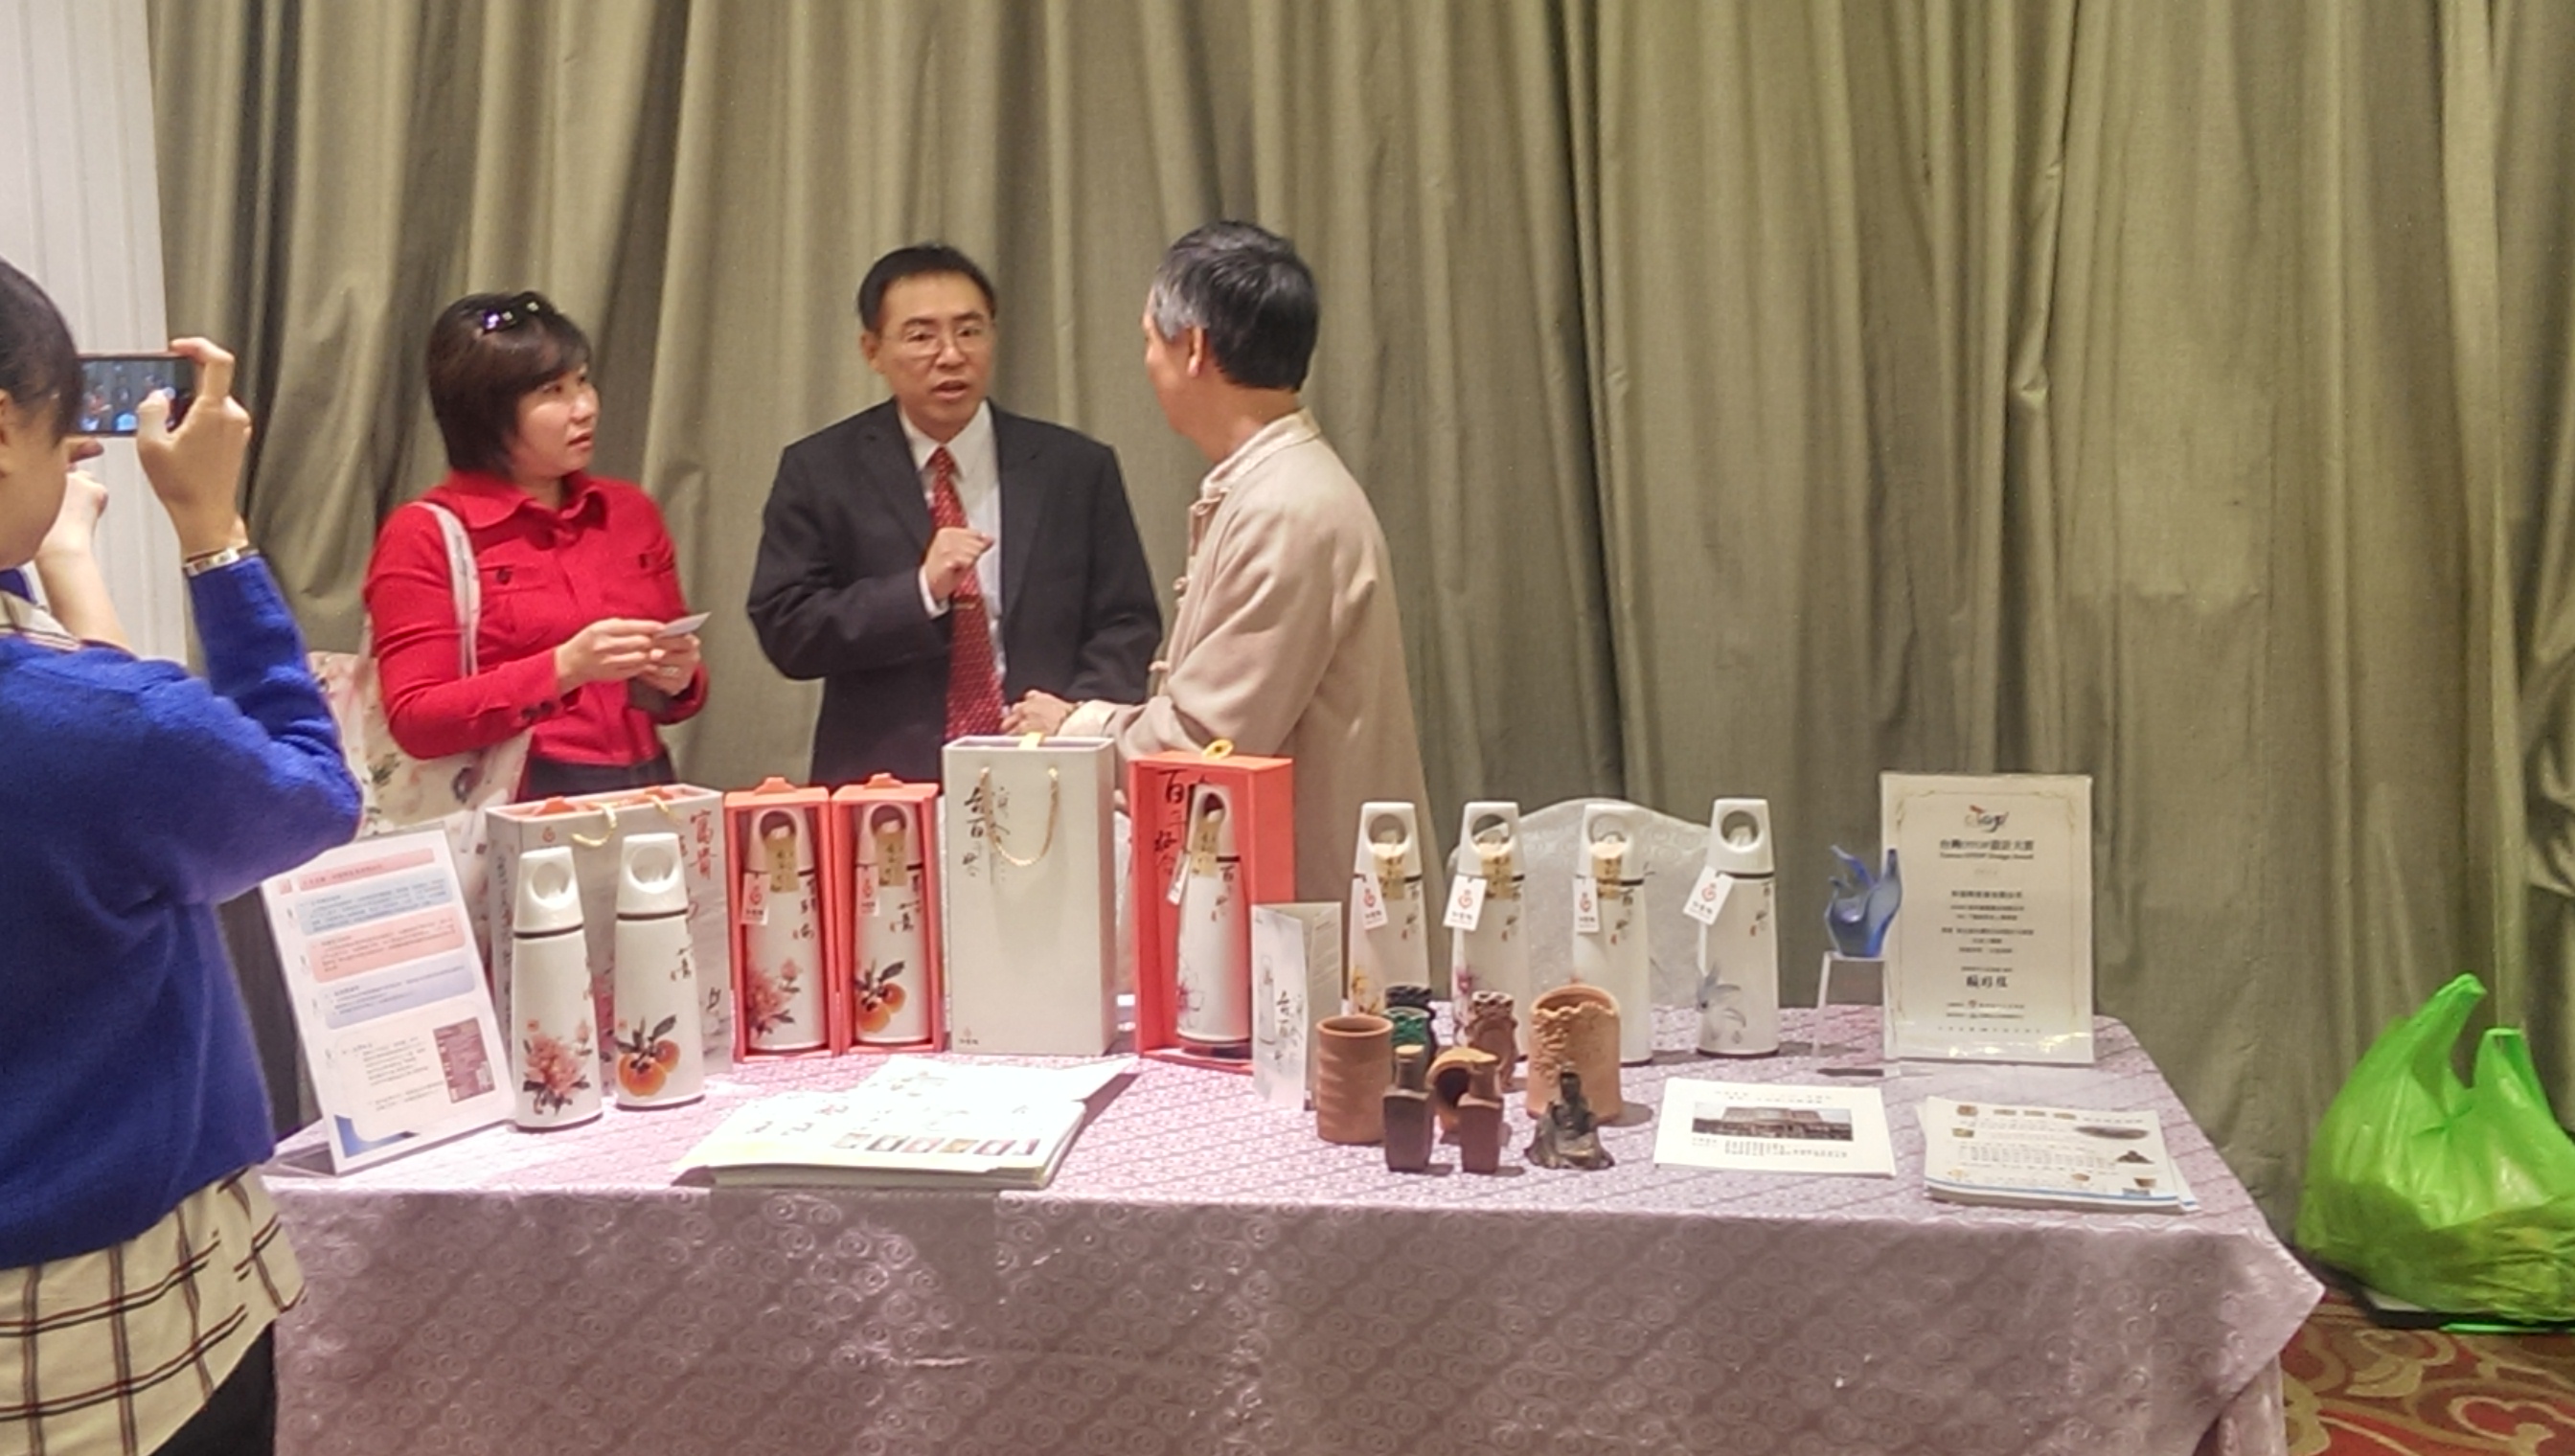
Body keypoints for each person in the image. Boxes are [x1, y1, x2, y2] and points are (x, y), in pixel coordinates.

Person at [0, 260, 361, 1455]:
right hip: (101, 1318)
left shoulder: (87, 720)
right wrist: (214, 532)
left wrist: (53, 550)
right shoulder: (100, 728)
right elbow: (310, 792)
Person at [1005, 221, 1432, 902]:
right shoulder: (1273, 487)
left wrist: (1074, 727)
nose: (1147, 362)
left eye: (1151, 340)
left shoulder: (1284, 508)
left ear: (1194, 348)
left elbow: (1208, 743)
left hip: (1302, 920)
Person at [746, 243, 1160, 785]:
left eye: (969, 331)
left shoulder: (1074, 468)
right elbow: (788, 629)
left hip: (1049, 768)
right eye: (921, 336)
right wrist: (918, 591)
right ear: (872, 350)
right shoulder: (822, 470)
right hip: (886, 784)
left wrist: (1072, 722)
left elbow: (1127, 623)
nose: (950, 355)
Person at [364, 291, 705, 799]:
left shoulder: (629, 511)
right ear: (486, 412)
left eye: (583, 381)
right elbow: (416, 719)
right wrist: (564, 668)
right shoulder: (424, 533)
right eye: (553, 391)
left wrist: (675, 677)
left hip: (643, 783)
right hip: (514, 796)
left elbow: (673, 687)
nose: (584, 408)